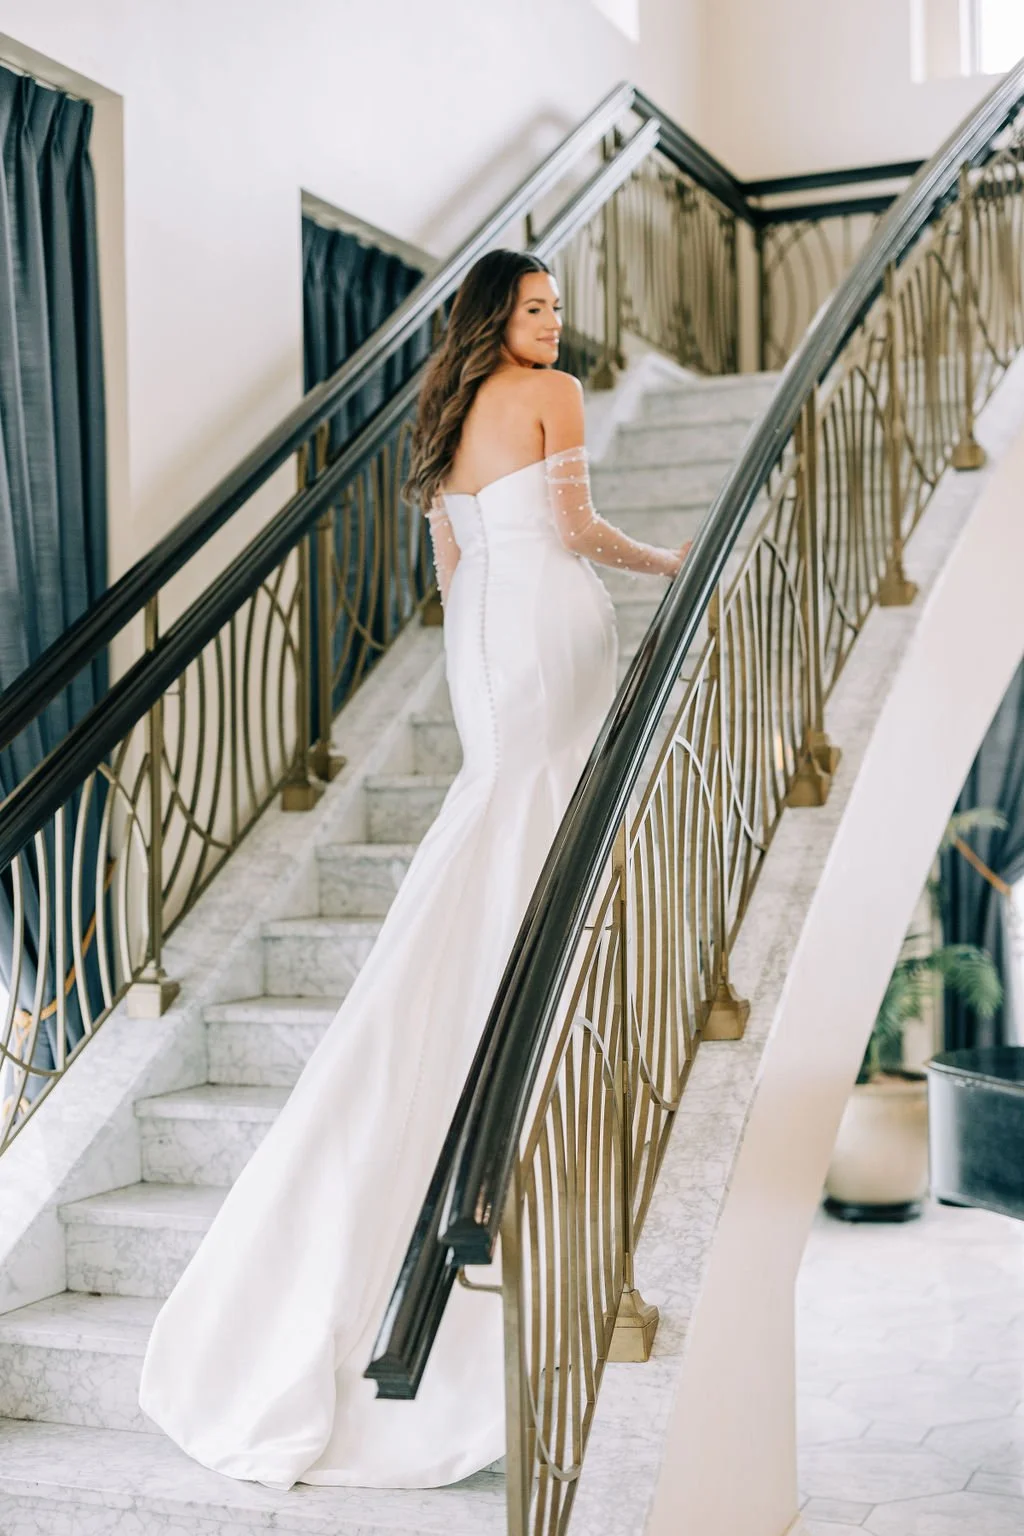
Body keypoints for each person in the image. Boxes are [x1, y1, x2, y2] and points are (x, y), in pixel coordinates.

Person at [138, 250, 689, 1490]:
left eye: (557, 308)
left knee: (500, 795)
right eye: (536, 308)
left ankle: (499, 959)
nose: (555, 324)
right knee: (543, 800)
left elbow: (451, 568)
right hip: (546, 614)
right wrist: (675, 566)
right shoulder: (552, 395)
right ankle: (534, 977)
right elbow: (577, 530)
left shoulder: (444, 411)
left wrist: (491, 640)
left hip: (486, 635)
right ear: (501, 317)